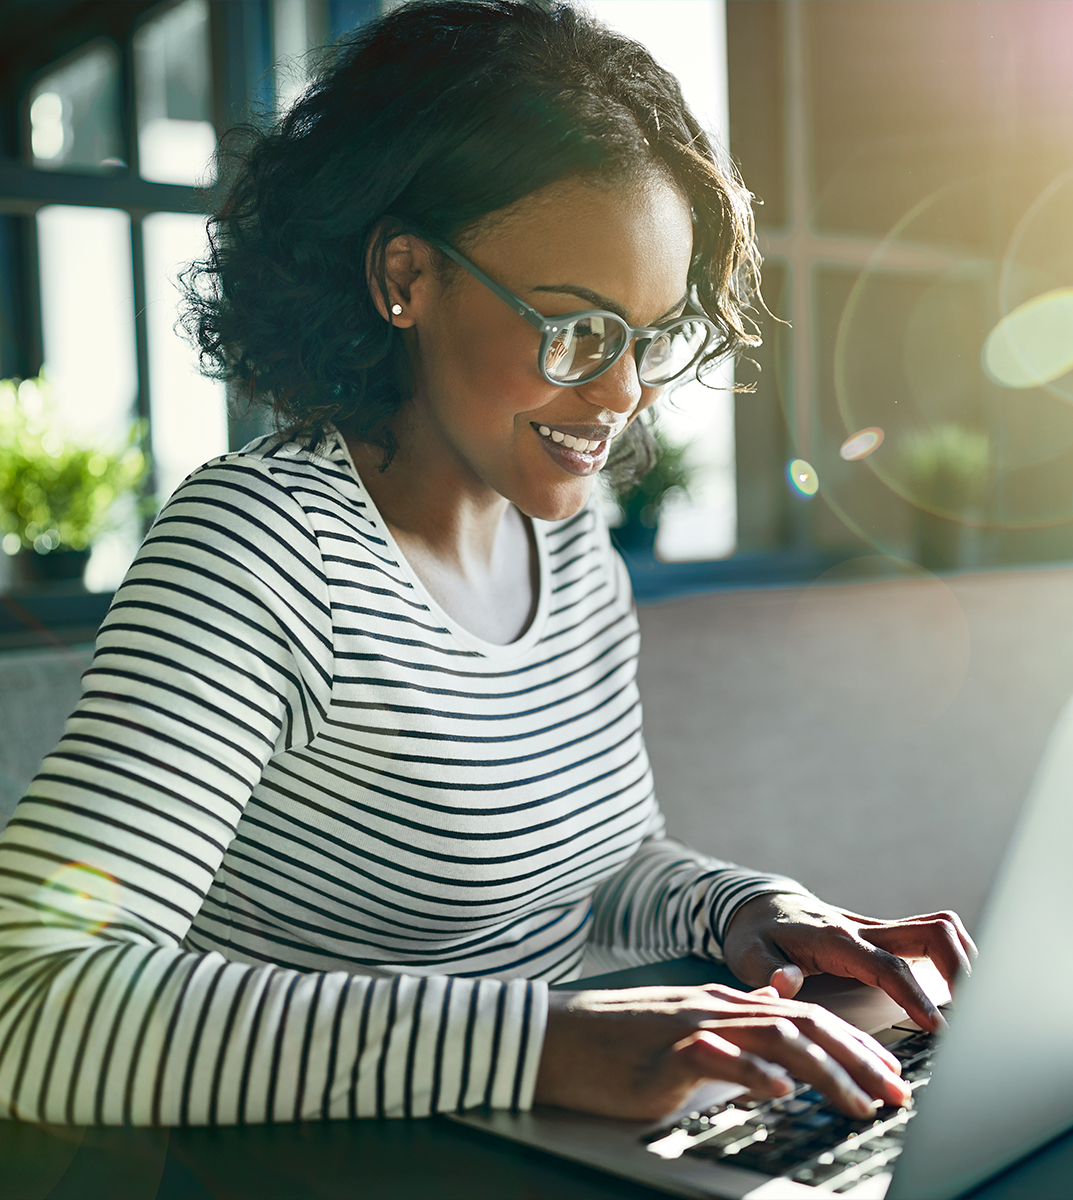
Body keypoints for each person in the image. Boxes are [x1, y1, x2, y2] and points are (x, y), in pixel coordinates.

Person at [0, 0, 974, 1129]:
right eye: (577, 331)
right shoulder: (260, 549)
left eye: (650, 338)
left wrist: (748, 910)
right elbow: (32, 997)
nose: (622, 396)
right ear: (406, 277)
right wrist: (545, 1046)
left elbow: (601, 866)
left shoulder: (563, 537)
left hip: (539, 1147)